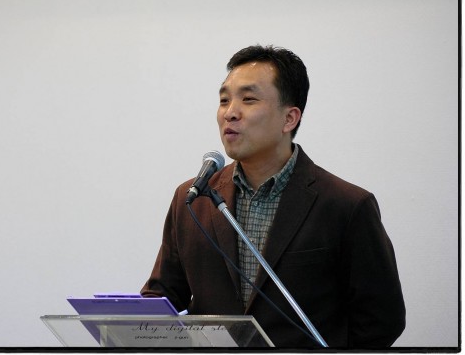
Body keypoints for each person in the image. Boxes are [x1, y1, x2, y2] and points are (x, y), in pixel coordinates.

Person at [140, 44, 406, 348]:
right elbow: (164, 294)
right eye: (224, 100)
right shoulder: (193, 198)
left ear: (289, 118)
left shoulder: (346, 206)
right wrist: (127, 319)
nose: (230, 113)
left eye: (248, 99)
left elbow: (382, 320)